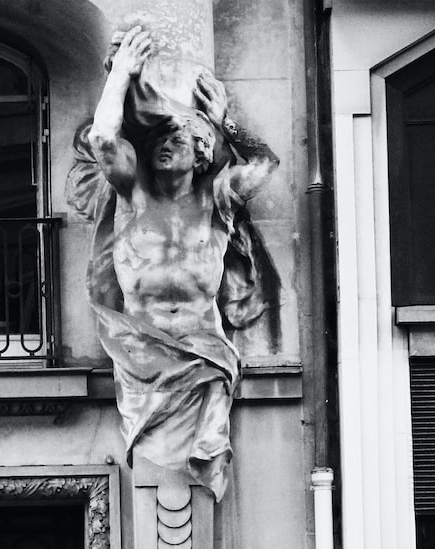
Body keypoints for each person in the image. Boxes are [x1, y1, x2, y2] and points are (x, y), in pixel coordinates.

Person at [68, 22, 282, 499]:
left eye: (178, 140)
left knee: (192, 482)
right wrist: (121, 73)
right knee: (154, 477)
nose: (165, 145)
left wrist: (225, 122)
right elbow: (105, 140)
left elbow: (265, 163)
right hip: (141, 354)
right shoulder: (132, 194)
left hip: (203, 355)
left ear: (202, 154)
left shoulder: (218, 200)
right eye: (159, 140)